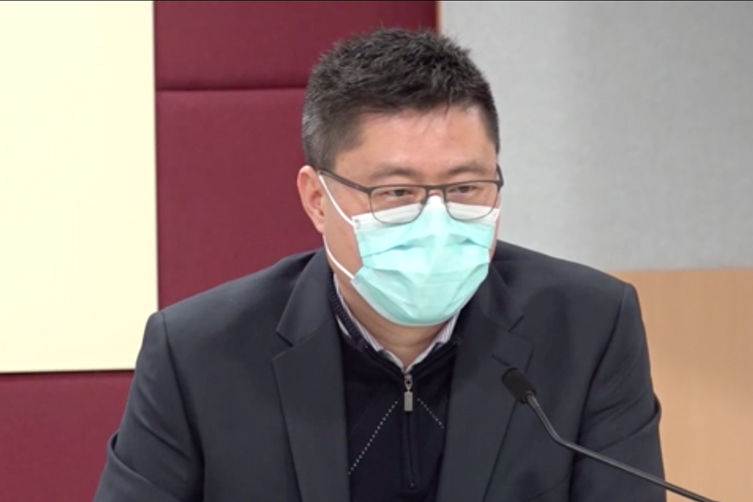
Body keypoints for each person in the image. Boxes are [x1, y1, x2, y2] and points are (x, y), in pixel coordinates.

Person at [93, 28, 664, 502]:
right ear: (318, 200)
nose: (437, 220)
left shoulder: (588, 327)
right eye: (396, 193)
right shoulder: (198, 354)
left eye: (466, 188)